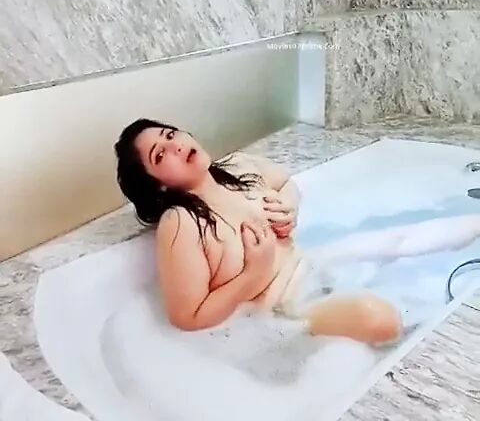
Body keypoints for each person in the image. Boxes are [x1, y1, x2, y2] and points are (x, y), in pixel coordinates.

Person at [114, 118, 480, 345]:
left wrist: (288, 207)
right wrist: (253, 273)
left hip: (313, 262)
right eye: (160, 155)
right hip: (285, 308)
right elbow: (187, 316)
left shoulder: (238, 167)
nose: (176, 145)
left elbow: (287, 183)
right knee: (378, 318)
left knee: (403, 237)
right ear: (158, 185)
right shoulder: (182, 223)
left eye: (171, 134)